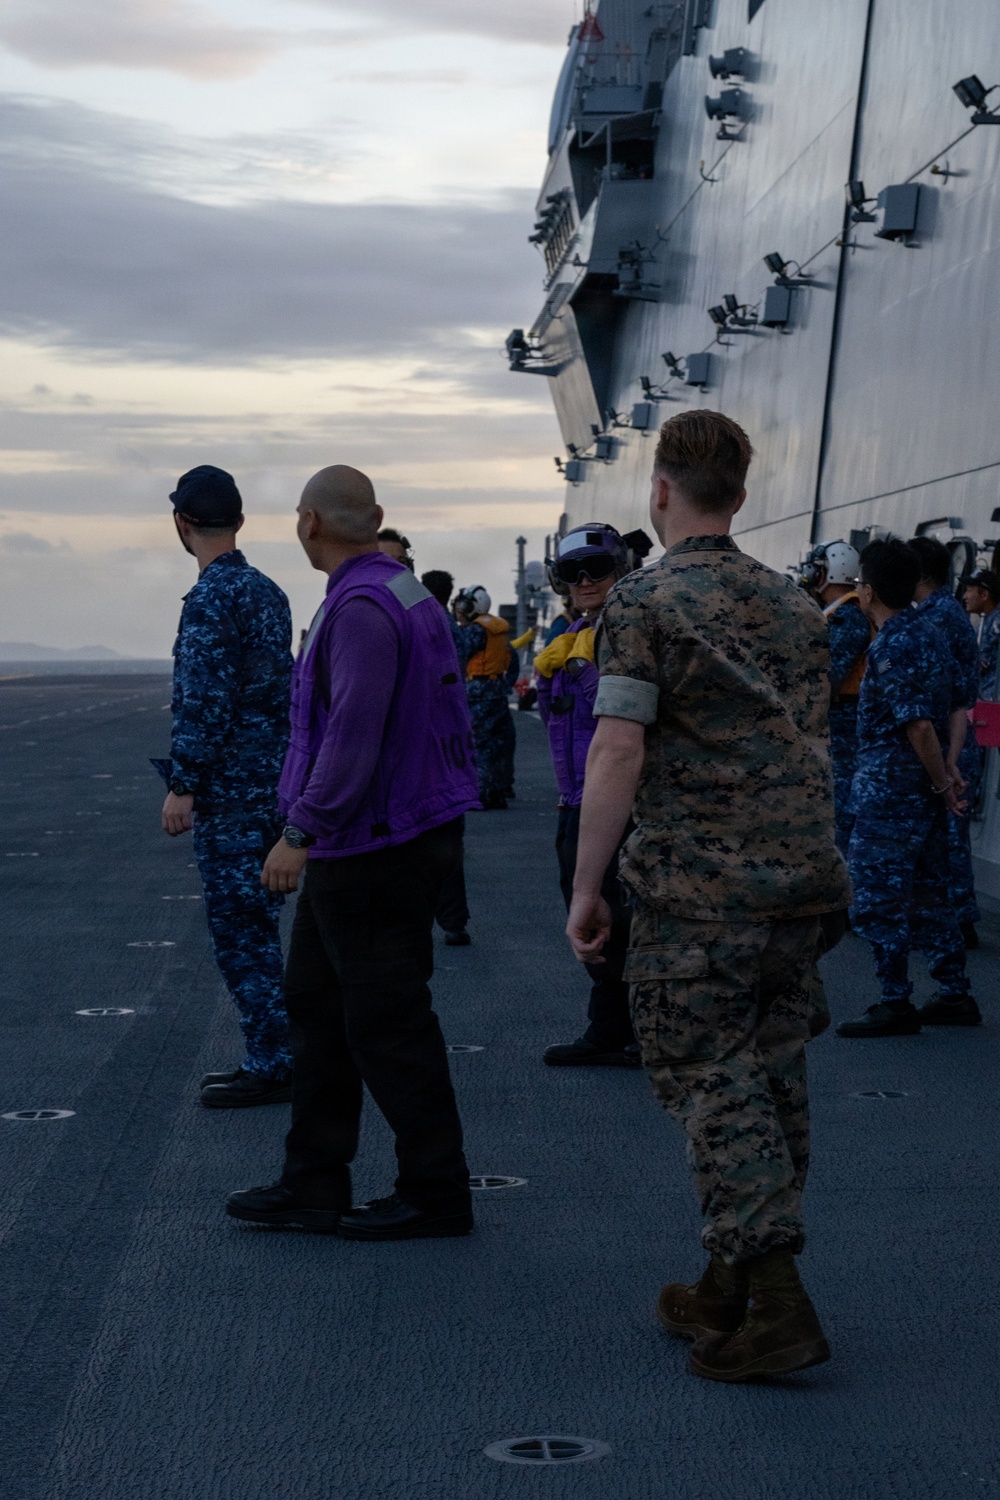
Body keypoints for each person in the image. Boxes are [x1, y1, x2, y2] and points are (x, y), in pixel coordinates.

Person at [567, 410, 850, 1382]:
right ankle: (726, 1287)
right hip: (800, 885)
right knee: (771, 1074)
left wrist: (586, 886)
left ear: (658, 489)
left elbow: (615, 747)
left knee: (706, 1076)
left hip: (700, 891)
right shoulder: (796, 607)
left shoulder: (644, 604)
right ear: (736, 493)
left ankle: (775, 1303)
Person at [226, 465, 480, 1240]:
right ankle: (313, 1182)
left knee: (387, 1023)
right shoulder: (404, 589)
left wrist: (300, 830)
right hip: (396, 833)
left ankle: (436, 1194)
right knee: (320, 1010)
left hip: (371, 842)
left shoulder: (362, 608)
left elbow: (353, 732)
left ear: (310, 523)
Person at [157, 465, 294, 1108]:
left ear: (183, 523)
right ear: (239, 521)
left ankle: (274, 1061)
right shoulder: (267, 592)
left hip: (231, 795)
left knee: (242, 935)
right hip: (273, 783)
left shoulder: (211, 599)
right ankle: (281, 1053)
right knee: (260, 927)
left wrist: (183, 783)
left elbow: (205, 699)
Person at [836, 539, 981, 1037]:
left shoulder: (894, 642)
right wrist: (951, 769)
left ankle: (895, 1001)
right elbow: (960, 704)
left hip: (892, 794)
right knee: (930, 896)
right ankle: (954, 993)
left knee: (877, 897)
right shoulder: (931, 631)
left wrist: (944, 780)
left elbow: (916, 725)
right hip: (923, 790)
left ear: (868, 591)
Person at [534, 524, 645, 1068]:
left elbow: (624, 725)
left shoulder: (627, 636)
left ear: (621, 572)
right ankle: (609, 1025)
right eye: (571, 572)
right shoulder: (573, 640)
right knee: (589, 910)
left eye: (595, 570)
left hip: (618, 801)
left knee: (617, 915)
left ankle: (633, 1030)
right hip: (575, 798)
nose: (583, 581)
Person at [909, 536, 982, 947]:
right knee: (947, 834)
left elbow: (949, 696)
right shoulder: (945, 612)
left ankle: (958, 920)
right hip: (948, 741)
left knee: (950, 836)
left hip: (947, 743)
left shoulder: (937, 617)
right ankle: (953, 918)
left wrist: (948, 760)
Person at [805, 542, 870, 855]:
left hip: (843, 729)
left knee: (840, 805)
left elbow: (827, 674)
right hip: (835, 726)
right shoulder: (834, 615)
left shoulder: (848, 618)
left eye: (818, 567)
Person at [421, 568, 473, 946]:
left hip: (421, 741)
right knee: (448, 842)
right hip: (452, 740)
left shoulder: (416, 619)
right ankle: (453, 921)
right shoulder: (453, 628)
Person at [454, 585, 517, 809]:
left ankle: (481, 792)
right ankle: (498, 790)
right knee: (497, 743)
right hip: (498, 689)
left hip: (478, 689)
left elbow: (459, 652)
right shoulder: (498, 626)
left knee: (479, 742)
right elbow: (513, 657)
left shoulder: (475, 630)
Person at [963, 567, 1000, 700]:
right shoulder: (985, 621)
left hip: (992, 701)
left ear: (984, 595)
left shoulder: (996, 623)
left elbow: (979, 665)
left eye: (969, 590)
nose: (964, 596)